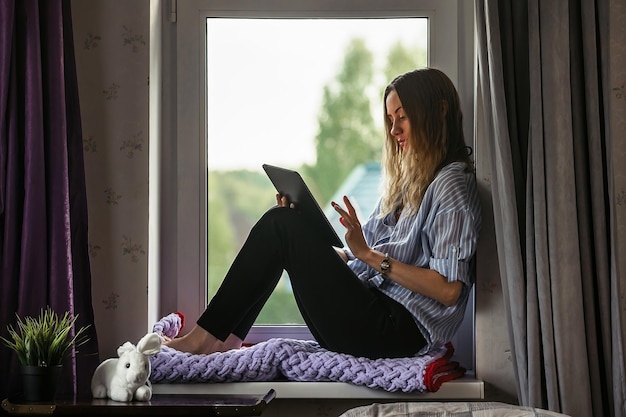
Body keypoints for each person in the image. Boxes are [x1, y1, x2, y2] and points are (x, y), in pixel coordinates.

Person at [165, 67, 482, 360]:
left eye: (403, 117)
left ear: (439, 112)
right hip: (371, 309)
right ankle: (225, 338)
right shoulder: (409, 185)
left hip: (394, 330)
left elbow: (449, 290)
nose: (395, 129)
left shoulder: (451, 185)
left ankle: (205, 340)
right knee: (284, 225)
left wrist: (370, 256)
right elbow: (357, 256)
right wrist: (310, 237)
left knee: (280, 227)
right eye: (390, 119)